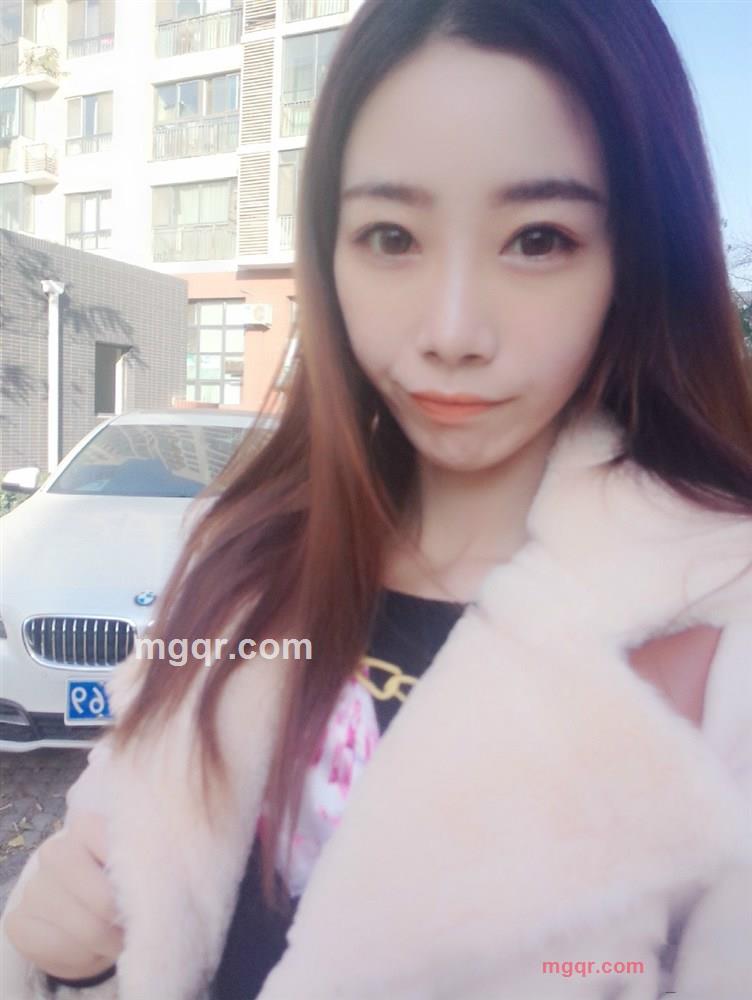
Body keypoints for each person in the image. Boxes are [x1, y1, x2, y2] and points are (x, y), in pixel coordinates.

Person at [2, 0, 751, 997]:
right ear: (329, 252)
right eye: (391, 235)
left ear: (638, 259)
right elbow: (113, 869)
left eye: (537, 238)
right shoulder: (239, 556)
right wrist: (64, 952)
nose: (452, 332)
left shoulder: (718, 622)